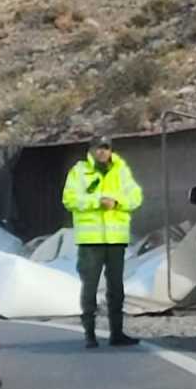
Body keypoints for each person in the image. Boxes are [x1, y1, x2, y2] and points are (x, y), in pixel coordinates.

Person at [62, 135, 143, 348]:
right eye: (98, 148)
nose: (102, 152)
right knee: (90, 286)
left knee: (116, 287)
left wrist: (117, 202)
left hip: (115, 240)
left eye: (106, 148)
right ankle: (90, 333)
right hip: (91, 241)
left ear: (110, 150)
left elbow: (136, 197)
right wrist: (96, 202)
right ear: (90, 150)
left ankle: (117, 333)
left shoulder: (121, 170)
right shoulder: (79, 172)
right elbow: (69, 199)